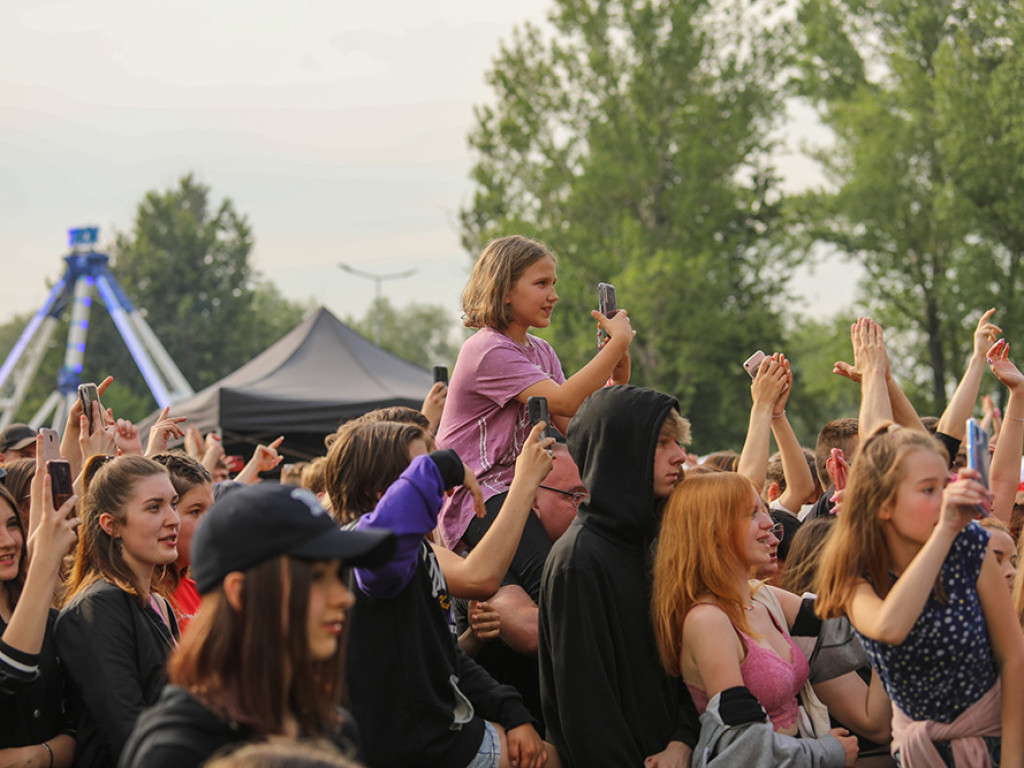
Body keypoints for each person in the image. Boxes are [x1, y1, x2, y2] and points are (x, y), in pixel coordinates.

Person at [327, 417, 559, 768]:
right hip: (423, 749)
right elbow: (482, 577)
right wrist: (518, 480)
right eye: (422, 467)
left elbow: (443, 658)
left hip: (439, 736)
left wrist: (512, 713)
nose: (444, 485)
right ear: (382, 491)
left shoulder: (416, 553)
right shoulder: (366, 549)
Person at [119, 484, 396, 768]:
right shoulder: (175, 751)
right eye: (315, 577)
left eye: (338, 575)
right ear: (240, 593)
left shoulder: (334, 729)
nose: (344, 597)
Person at [436, 235, 634, 600]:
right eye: (541, 283)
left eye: (553, 284)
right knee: (552, 585)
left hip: (521, 488)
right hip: (477, 492)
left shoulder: (541, 350)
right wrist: (618, 343)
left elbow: (575, 421)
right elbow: (563, 398)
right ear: (505, 290)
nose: (553, 295)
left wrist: (616, 378)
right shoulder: (487, 348)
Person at [815, 423, 1024, 766]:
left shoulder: (969, 545)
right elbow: (890, 627)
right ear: (884, 504)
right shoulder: (854, 572)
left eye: (946, 485)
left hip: (995, 741)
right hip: (921, 753)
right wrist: (945, 531)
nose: (944, 499)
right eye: (929, 490)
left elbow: (1013, 657)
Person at [651, 471, 858, 767]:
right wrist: (826, 752)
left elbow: (848, 634)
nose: (768, 522)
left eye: (763, 509)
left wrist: (867, 526)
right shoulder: (708, 621)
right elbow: (744, 746)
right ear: (712, 532)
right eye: (751, 514)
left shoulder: (763, 598)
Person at [539, 385, 698, 767]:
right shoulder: (577, 562)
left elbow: (684, 670)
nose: (679, 456)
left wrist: (682, 741)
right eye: (661, 443)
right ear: (620, 452)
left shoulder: (652, 544)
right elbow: (587, 717)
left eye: (677, 443)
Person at [53, 456, 180, 768]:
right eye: (154, 507)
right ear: (111, 525)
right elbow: (130, 732)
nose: (173, 518)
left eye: (173, 504)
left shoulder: (152, 601)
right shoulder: (98, 606)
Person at [0, 452, 78, 768]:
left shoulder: (52, 620)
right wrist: (45, 560)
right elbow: (9, 676)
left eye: (11, 525)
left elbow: (81, 720)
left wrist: (40, 756)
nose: (7, 541)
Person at [151, 453, 215, 632]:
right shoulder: (139, 598)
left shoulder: (200, 592)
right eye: (195, 511)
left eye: (211, 510)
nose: (209, 523)